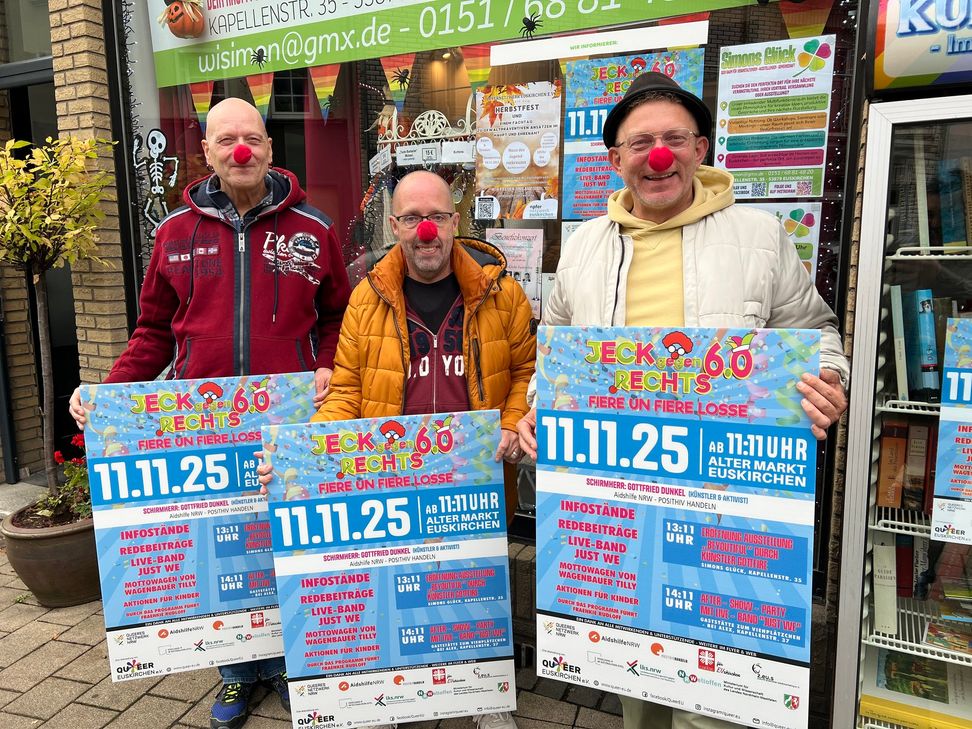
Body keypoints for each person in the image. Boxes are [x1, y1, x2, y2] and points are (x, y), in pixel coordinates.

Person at [514, 72, 849, 729]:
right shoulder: (582, 248)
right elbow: (554, 353)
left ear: (699, 149)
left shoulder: (759, 234)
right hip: (622, 502)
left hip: (726, 509)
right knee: (638, 684)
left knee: (718, 702)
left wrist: (828, 381)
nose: (657, 155)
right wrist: (537, 406)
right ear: (615, 160)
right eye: (640, 143)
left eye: (673, 139)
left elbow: (817, 335)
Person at [68, 97, 352, 729]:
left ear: (270, 148)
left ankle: (282, 661)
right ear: (207, 152)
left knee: (282, 544)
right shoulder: (175, 234)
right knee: (222, 553)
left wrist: (331, 362)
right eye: (226, 141)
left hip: (289, 423)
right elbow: (152, 333)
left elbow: (339, 315)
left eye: (251, 138)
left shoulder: (315, 228)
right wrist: (110, 396)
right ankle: (234, 671)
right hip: (206, 428)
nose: (240, 150)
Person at [261, 169, 536, 729]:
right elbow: (345, 391)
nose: (426, 230)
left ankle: (483, 697)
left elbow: (526, 372)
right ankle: (394, 692)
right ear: (394, 226)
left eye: (436, 216)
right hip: (393, 477)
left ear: (455, 220)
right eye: (412, 218)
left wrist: (512, 423)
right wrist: (303, 456)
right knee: (401, 584)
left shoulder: (501, 292)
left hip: (474, 477)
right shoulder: (367, 298)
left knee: (475, 583)